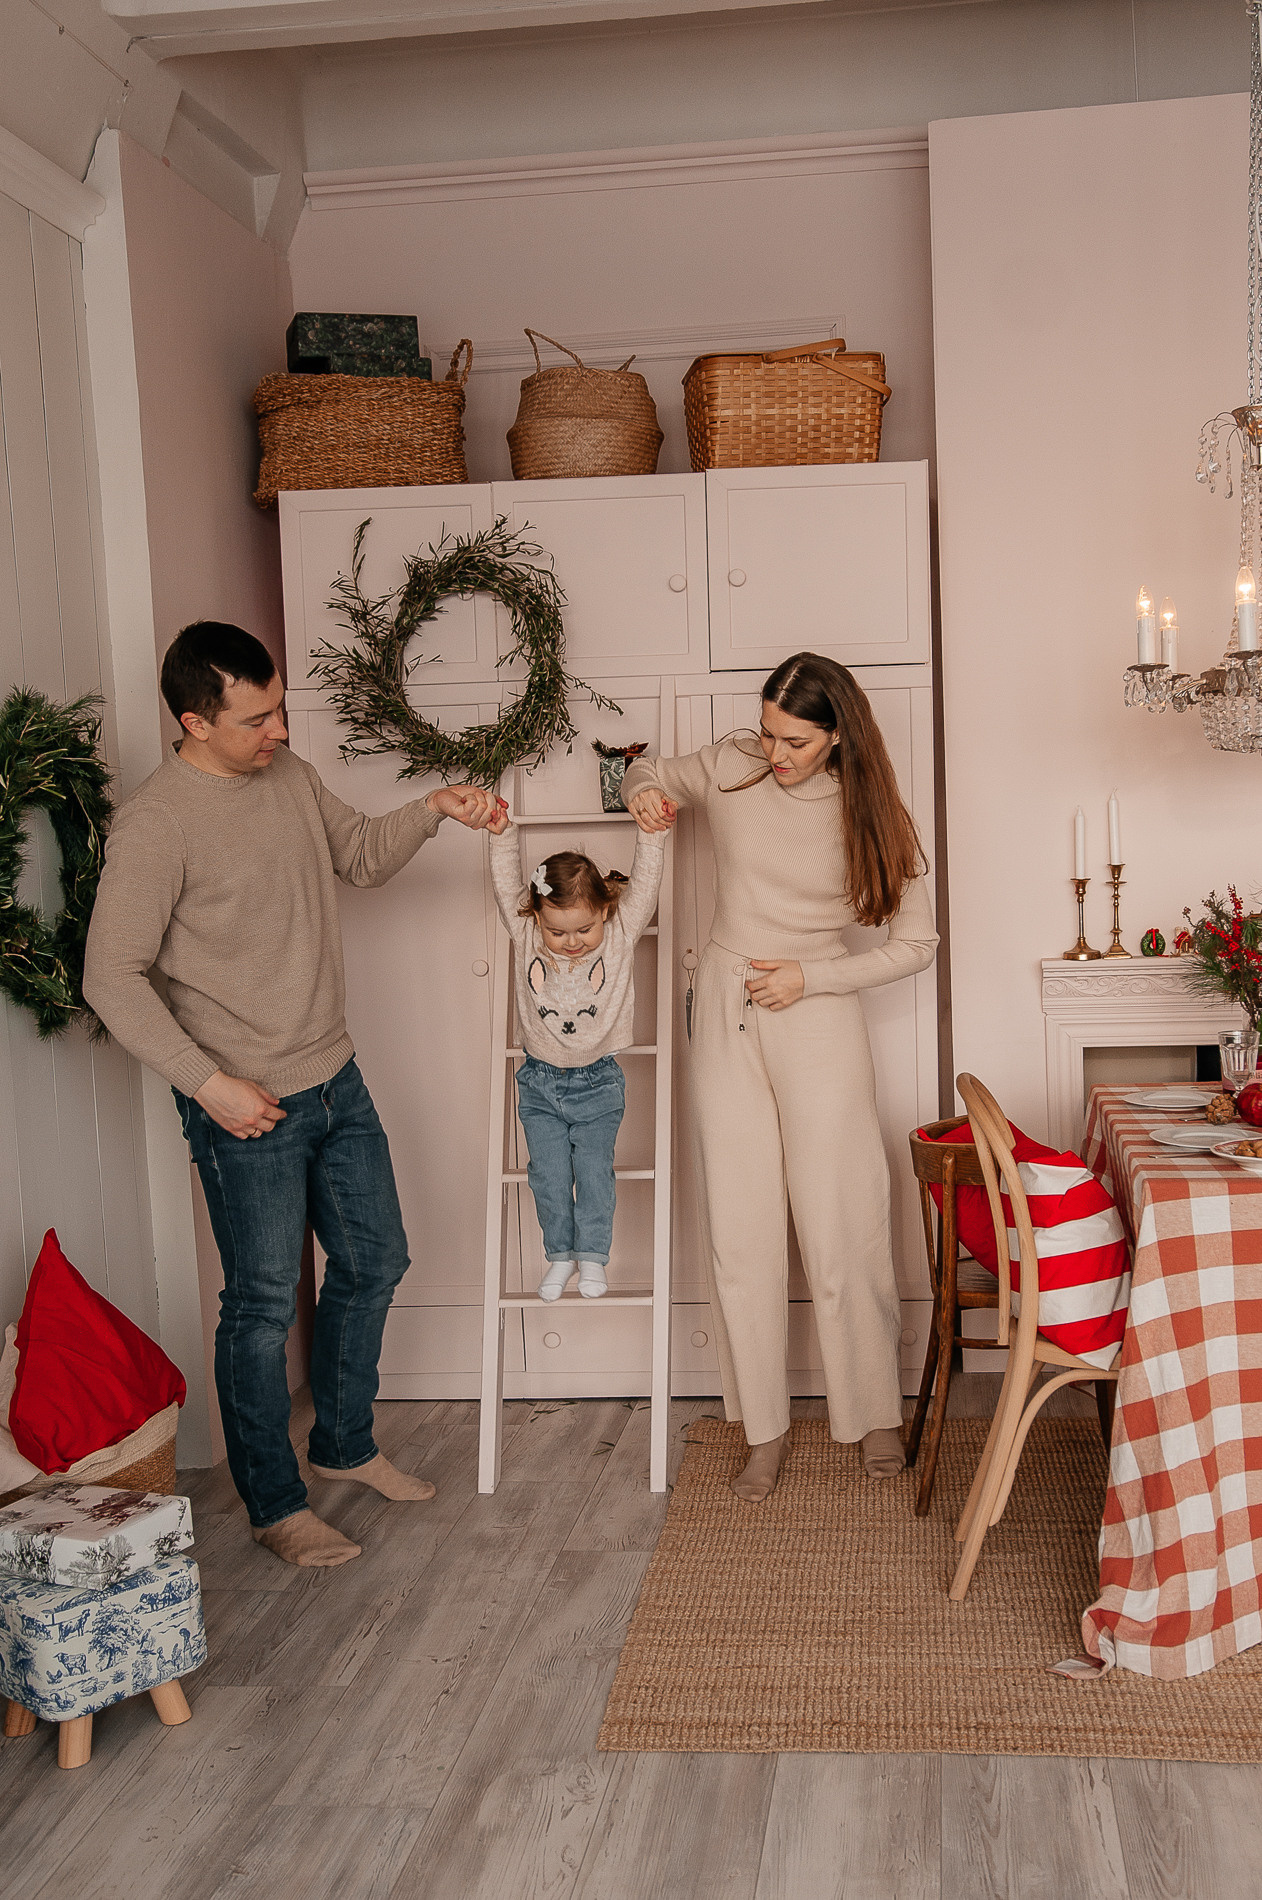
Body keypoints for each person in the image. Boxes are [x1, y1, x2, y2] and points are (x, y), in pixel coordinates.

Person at [83, 621, 501, 1568]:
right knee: (265, 1306)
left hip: (333, 1076)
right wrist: (211, 1085)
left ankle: (345, 1445)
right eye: (258, 716)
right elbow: (109, 975)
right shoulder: (156, 824)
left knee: (376, 1259)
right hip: (245, 1105)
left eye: (280, 709)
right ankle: (274, 1504)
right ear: (195, 720)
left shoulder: (286, 775)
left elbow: (356, 854)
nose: (280, 728)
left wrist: (434, 806)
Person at [623, 652, 938, 1503]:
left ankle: (874, 1413)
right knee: (742, 1229)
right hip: (726, 1009)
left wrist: (813, 977)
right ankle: (760, 1425)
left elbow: (918, 944)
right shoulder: (732, 766)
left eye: (795, 739)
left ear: (840, 736)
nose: (776, 752)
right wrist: (640, 793)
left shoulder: (876, 818)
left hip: (817, 1009)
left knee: (843, 1221)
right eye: (767, 731)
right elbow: (649, 770)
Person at [486, 813, 667, 1299]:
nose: (570, 943)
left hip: (598, 1084)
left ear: (605, 913)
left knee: (592, 1176)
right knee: (546, 1177)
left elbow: (645, 886)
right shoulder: (526, 935)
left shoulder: (621, 935)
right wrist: (502, 832)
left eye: (582, 930)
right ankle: (559, 1257)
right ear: (537, 919)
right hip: (539, 1085)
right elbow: (506, 885)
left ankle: (592, 1258)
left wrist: (653, 834)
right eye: (557, 932)